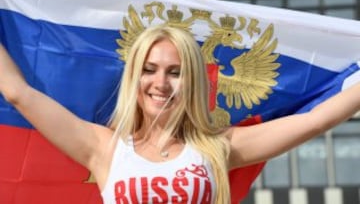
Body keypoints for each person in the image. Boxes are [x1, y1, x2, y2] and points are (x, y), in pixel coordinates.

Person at [0, 25, 359, 204]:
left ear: (192, 81)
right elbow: (18, 93)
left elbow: (317, 119)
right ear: (134, 77)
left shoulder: (220, 146)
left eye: (175, 72)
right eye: (150, 69)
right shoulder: (103, 148)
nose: (161, 83)